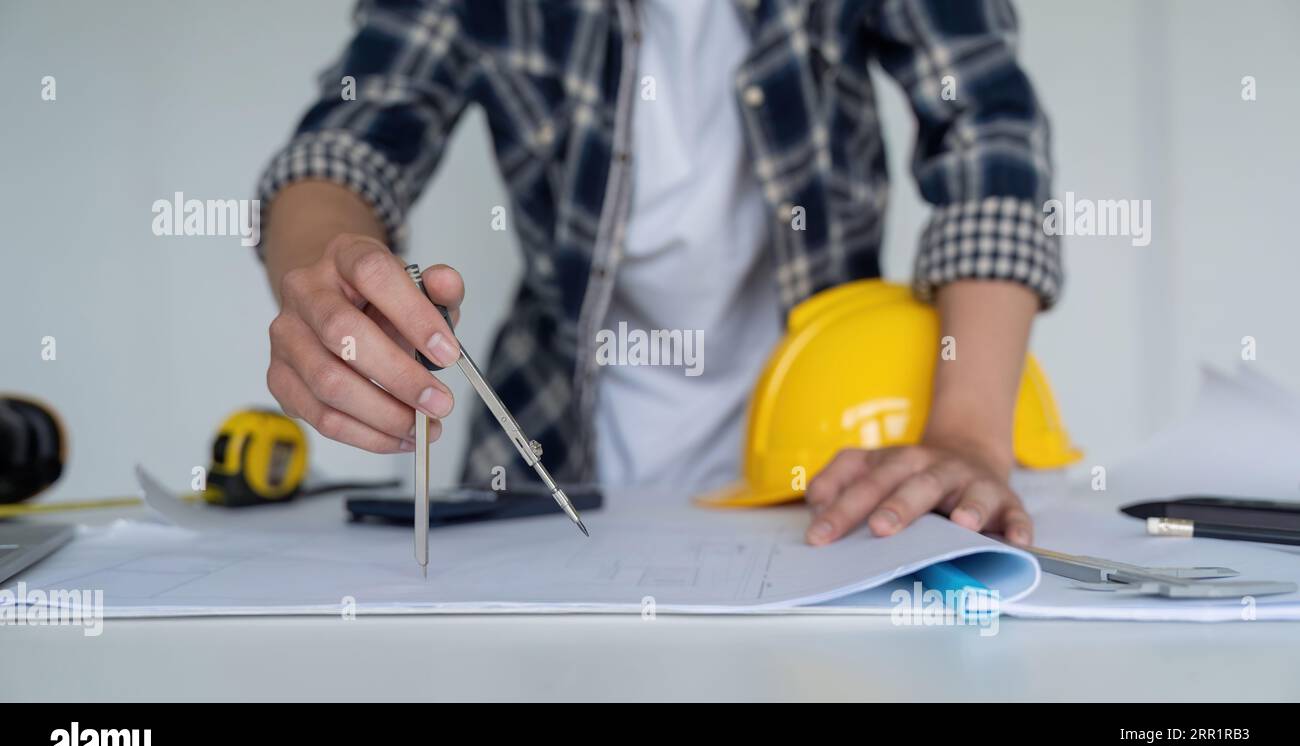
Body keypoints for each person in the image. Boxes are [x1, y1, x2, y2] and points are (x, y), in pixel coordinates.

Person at [257, 0, 1059, 547]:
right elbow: (350, 141)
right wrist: (326, 275)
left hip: (837, 468)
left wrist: (967, 436)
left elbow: (988, 130)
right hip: (551, 459)